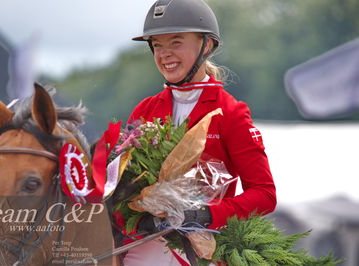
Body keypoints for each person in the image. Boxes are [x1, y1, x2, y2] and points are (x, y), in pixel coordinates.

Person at [115, 0, 277, 265]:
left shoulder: (231, 113)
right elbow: (121, 183)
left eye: (176, 43)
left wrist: (206, 213)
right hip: (146, 241)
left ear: (207, 45)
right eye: (157, 45)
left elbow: (264, 194)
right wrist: (137, 210)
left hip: (204, 246)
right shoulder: (145, 109)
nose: (164, 54)